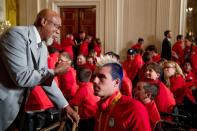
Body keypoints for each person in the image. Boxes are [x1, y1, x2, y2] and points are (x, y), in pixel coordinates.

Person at [0, 9, 79, 131]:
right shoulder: (15, 35)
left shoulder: (42, 46)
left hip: (18, 108)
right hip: (3, 105)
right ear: (43, 21)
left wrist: (65, 107)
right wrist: (55, 72)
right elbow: (21, 77)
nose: (58, 32)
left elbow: (46, 79)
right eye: (56, 26)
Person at [92, 55, 151, 131]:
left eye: (101, 77)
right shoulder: (100, 107)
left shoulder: (134, 109)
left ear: (116, 82)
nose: (94, 81)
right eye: (94, 76)